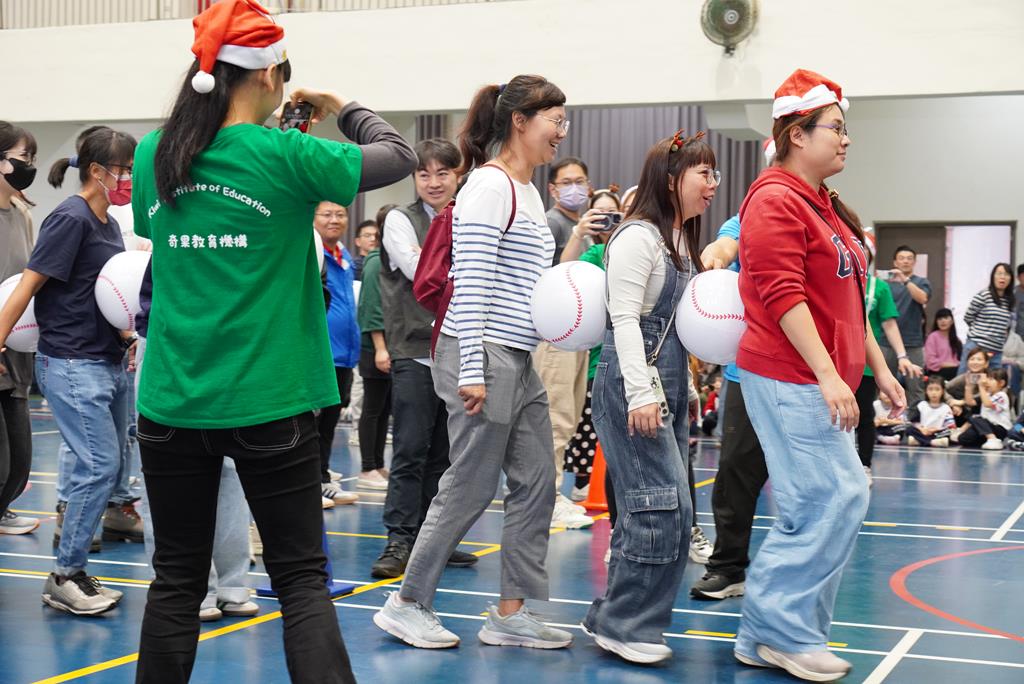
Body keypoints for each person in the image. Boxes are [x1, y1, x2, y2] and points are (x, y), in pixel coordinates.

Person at [128, 1, 416, 680]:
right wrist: (342, 106)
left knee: (176, 579)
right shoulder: (288, 156)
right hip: (270, 400)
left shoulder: (152, 154)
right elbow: (399, 155)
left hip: (171, 401)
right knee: (300, 581)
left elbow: (163, 227)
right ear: (267, 75)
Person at [373, 74, 573, 651]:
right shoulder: (488, 185)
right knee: (470, 484)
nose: (561, 132)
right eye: (554, 120)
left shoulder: (528, 191)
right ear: (519, 121)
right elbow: (474, 279)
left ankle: (511, 612)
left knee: (537, 480)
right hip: (478, 349)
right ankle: (407, 603)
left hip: (518, 355)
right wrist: (471, 373)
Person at [733, 69, 905, 682]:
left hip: (818, 377)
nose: (846, 138)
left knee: (825, 501)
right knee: (834, 497)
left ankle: (776, 633)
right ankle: (779, 628)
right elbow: (784, 296)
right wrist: (829, 375)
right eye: (835, 127)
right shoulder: (774, 200)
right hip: (788, 375)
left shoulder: (822, 204)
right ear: (796, 135)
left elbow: (849, 300)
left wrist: (878, 368)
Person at [580, 129, 713, 665]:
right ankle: (625, 624)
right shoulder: (638, 238)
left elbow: (679, 327)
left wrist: (687, 388)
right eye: (704, 173)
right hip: (633, 385)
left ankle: (617, 615)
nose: (712, 183)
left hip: (667, 386)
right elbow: (625, 321)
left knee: (670, 508)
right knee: (657, 507)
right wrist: (640, 394)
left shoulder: (679, 240)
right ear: (672, 179)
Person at [0, 125, 137, 615]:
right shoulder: (70, 218)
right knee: (99, 466)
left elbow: (101, 291)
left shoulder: (109, 225)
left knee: (107, 467)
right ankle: (64, 575)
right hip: (73, 362)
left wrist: (126, 335)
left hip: (108, 359)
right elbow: (27, 285)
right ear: (97, 171)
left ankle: (73, 571)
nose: (129, 178)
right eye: (124, 169)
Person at [371, 139, 479, 578]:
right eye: (424, 174)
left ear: (458, 175)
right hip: (415, 349)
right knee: (411, 449)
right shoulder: (400, 219)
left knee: (445, 454)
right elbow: (422, 272)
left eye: (443, 173)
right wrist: (471, 270)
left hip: (457, 349)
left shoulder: (470, 216)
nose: (433, 182)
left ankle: (434, 540)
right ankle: (399, 538)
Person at [535, 156, 594, 528]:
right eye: (566, 182)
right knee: (554, 419)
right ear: (553, 189)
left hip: (578, 335)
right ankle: (547, 498)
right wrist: (576, 236)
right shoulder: (552, 223)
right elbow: (553, 276)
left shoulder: (581, 225)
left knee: (568, 418)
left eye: (580, 181)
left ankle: (552, 493)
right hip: (555, 334)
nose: (575, 188)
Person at [559, 185, 622, 500]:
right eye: (599, 214)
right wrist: (578, 233)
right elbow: (565, 270)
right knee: (587, 421)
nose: (606, 220)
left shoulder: (632, 249)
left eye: (613, 214)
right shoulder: (593, 254)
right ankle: (582, 483)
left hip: (628, 349)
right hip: (596, 351)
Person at [855, 234, 920, 484]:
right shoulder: (830, 279)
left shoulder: (878, 287)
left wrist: (902, 355)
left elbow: (889, 324)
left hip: (865, 362)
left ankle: (864, 465)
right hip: (832, 360)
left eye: (864, 248)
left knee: (863, 415)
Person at [0, 121, 39, 535]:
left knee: (19, 461)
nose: (29, 165)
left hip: (17, 351)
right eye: (22, 157)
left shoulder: (23, 213)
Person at [312, 200, 360, 506]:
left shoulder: (344, 256)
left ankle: (323, 479)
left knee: (329, 423)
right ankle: (310, 485)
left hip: (345, 355)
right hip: (321, 353)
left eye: (340, 214)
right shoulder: (312, 252)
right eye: (327, 214)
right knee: (313, 425)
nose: (334, 219)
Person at [354, 204, 393, 490]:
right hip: (375, 348)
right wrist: (380, 347)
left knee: (383, 408)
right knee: (372, 407)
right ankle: (367, 467)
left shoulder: (390, 259)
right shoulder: (375, 262)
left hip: (390, 346)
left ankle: (378, 464)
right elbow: (371, 307)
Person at [879, 245, 931, 408]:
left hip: (913, 342)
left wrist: (905, 280)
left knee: (916, 386)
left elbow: (923, 298)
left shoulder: (921, 282)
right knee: (883, 384)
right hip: (886, 341)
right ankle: (883, 419)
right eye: (901, 258)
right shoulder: (884, 284)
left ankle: (915, 421)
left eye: (909, 258)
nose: (905, 261)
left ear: (914, 262)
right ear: (895, 262)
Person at [959, 263, 1014, 373]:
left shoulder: (1009, 300)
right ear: (993, 277)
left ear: (1010, 279)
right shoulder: (983, 295)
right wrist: (981, 331)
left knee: (994, 380)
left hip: (996, 350)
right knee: (965, 379)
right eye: (999, 273)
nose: (1002, 277)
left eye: (1006, 274)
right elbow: (968, 317)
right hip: (976, 346)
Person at [953, 368, 1011, 450]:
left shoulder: (1002, 395)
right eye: (987, 378)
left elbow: (987, 404)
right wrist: (968, 387)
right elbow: (970, 402)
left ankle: (993, 439)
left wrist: (981, 387)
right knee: (963, 439)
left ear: (1001, 383)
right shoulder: (987, 395)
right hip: (984, 427)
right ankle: (987, 440)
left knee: (976, 418)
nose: (986, 382)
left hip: (999, 428)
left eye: (991, 379)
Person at [946, 347, 990, 426]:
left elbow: (984, 399)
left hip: (985, 415)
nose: (975, 362)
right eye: (972, 359)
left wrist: (962, 402)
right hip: (964, 413)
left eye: (979, 359)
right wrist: (952, 402)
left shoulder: (991, 379)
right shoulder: (964, 377)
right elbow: (942, 388)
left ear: (986, 364)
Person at [905, 377, 954, 447]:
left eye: (937, 389)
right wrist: (922, 429)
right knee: (909, 429)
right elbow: (914, 422)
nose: (934, 392)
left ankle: (919, 441)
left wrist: (936, 430)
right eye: (930, 389)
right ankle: (932, 442)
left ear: (942, 391)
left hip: (936, 433)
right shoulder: (921, 405)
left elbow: (950, 426)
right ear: (926, 391)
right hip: (922, 432)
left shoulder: (946, 408)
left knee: (948, 432)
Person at [924, 308, 964, 381]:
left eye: (945, 318)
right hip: (937, 372)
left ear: (952, 321)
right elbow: (930, 361)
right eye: (939, 319)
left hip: (955, 370)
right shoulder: (932, 337)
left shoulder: (957, 340)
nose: (943, 321)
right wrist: (952, 364)